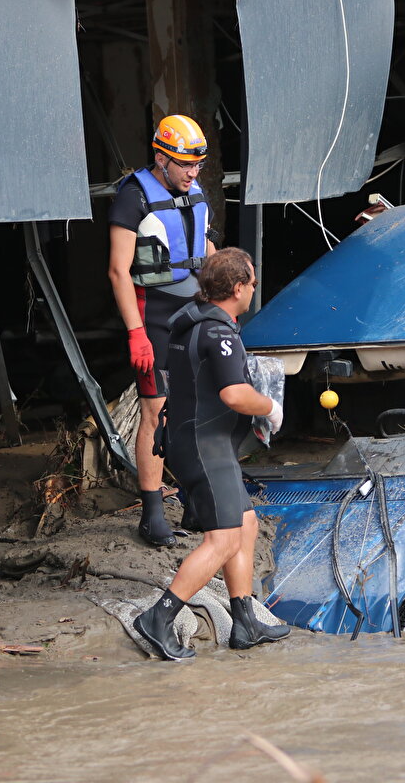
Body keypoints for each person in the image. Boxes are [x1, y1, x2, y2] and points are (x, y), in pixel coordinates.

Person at [132, 248, 288, 660]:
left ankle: (245, 619)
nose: (254, 288)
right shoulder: (217, 331)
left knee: (247, 524)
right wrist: (271, 408)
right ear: (238, 288)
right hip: (204, 447)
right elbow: (234, 394)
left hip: (198, 440)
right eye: (252, 282)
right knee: (222, 539)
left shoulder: (193, 319)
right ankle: (159, 618)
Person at [108, 114, 217, 547]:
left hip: (193, 311)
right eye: (185, 165)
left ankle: (193, 497)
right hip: (152, 315)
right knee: (157, 412)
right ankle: (152, 511)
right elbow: (118, 271)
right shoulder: (133, 196)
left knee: (199, 405)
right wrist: (135, 333)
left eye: (198, 166)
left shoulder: (195, 193)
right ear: (160, 159)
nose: (193, 173)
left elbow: (203, 248)